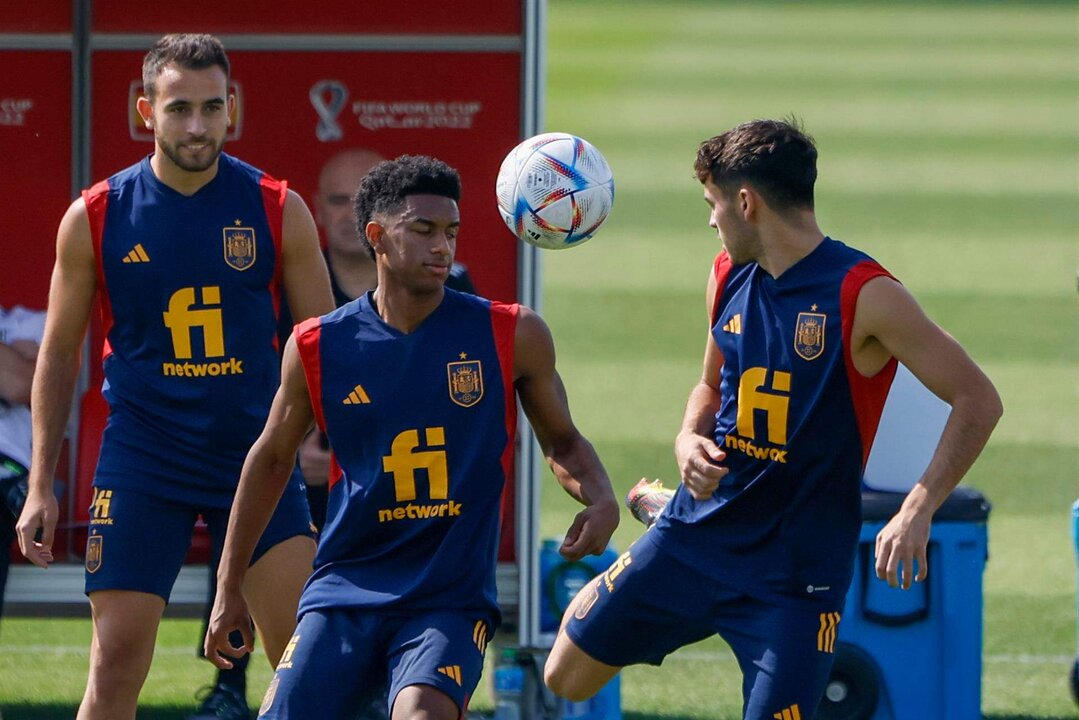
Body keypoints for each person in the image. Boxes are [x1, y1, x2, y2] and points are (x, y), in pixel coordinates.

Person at [543, 119, 1003, 720]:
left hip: (793, 579)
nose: (711, 221)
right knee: (565, 675)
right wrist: (686, 439)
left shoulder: (863, 293)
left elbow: (978, 398)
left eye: (712, 205)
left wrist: (917, 509)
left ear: (745, 201)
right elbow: (710, 386)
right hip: (697, 537)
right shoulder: (726, 274)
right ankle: (665, 514)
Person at [204, 155, 620, 719]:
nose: (442, 247)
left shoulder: (512, 332)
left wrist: (599, 497)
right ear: (376, 236)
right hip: (344, 590)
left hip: (448, 599)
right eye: (422, 230)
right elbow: (270, 460)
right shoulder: (316, 346)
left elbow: (564, 442)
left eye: (450, 231)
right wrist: (229, 589)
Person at [16, 33, 334, 720]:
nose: (196, 125)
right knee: (116, 662)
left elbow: (328, 347)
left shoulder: (279, 207)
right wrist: (41, 483)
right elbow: (59, 354)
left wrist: (340, 441)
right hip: (145, 458)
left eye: (211, 108)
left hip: (256, 457)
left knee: (303, 666)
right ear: (144, 112)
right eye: (179, 108)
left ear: (232, 111)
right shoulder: (96, 215)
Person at [0, 305, 46, 631]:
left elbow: (21, 385)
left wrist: (21, 365)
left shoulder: (29, 323)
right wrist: (14, 355)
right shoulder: (18, 341)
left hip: (12, 477)